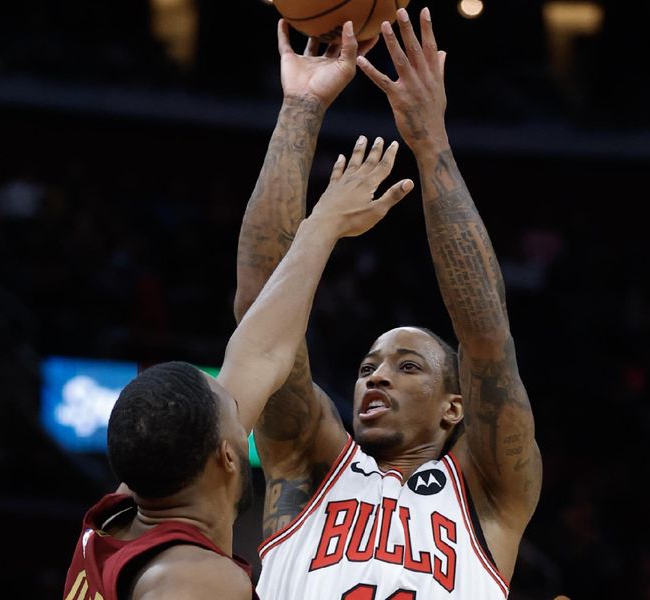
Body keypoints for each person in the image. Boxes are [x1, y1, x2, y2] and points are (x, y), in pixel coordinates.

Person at [234, 8, 541, 600]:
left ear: (456, 409)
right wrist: (300, 110)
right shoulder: (305, 461)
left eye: (408, 366)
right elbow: (259, 312)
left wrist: (431, 144)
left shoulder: (490, 495)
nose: (376, 376)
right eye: (368, 366)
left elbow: (486, 336)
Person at [62, 132, 415, 600]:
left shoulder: (123, 514)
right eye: (233, 408)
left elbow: (261, 350)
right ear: (228, 455)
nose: (241, 399)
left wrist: (323, 224)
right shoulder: (196, 581)